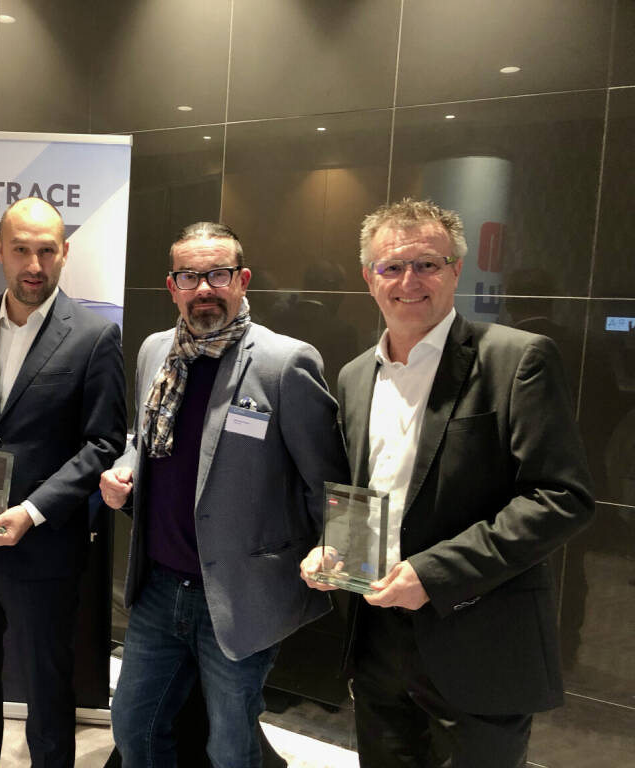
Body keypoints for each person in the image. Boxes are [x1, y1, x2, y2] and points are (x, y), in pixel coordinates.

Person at [300, 198, 595, 767]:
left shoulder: (516, 359)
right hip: (377, 641)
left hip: (478, 641)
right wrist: (333, 550)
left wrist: (433, 575)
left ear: (456, 270)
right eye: (392, 266)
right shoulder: (355, 375)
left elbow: (562, 497)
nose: (409, 281)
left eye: (427, 264)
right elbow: (369, 490)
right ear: (369, 278)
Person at [101, 222, 349, 767]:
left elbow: (328, 481)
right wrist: (122, 470)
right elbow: (141, 439)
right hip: (158, 585)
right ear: (172, 286)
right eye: (190, 277)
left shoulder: (285, 363)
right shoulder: (154, 351)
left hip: (239, 593)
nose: (204, 289)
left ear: (242, 280)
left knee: (230, 747)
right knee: (135, 727)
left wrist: (334, 548)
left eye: (218, 274)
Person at [0, 197, 126, 767]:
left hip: (43, 549)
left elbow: (103, 443)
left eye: (46, 251)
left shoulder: (94, 336)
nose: (34, 265)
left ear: (65, 253)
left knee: (48, 690)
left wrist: (32, 511)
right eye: (20, 250)